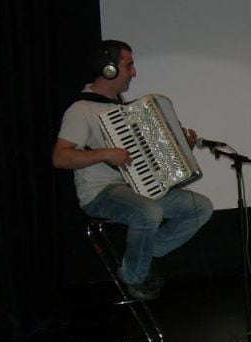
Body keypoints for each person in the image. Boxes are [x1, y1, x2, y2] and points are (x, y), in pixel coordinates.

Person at [52, 40, 213, 301]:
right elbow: (60, 157)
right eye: (129, 65)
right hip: (101, 192)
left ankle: (143, 256)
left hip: (139, 187)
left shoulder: (128, 110)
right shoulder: (81, 110)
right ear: (109, 70)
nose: (134, 72)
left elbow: (151, 160)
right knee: (149, 212)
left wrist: (184, 145)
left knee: (199, 207)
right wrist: (105, 153)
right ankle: (134, 277)